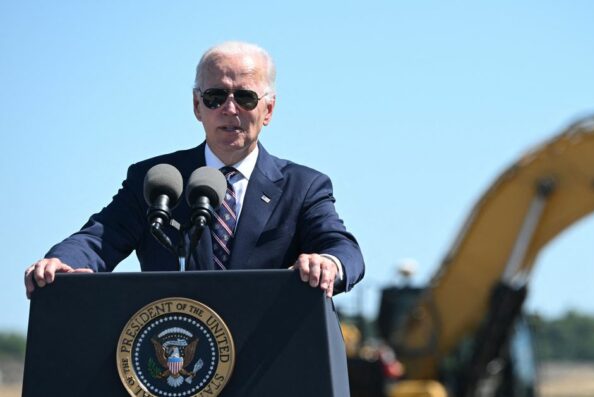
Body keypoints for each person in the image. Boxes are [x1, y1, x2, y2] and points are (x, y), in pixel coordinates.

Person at [24, 41, 364, 299]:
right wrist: (60, 262)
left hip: (267, 362)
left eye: (245, 97)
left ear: (268, 110)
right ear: (197, 106)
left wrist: (329, 264)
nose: (229, 109)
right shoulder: (156, 180)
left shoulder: (303, 186)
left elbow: (343, 249)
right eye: (215, 97)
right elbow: (99, 239)